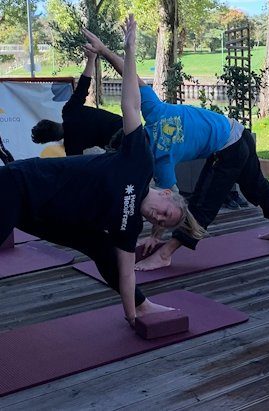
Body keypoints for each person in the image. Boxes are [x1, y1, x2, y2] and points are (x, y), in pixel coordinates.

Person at [0, 15, 202, 328]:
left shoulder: (130, 226)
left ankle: (141, 307)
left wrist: (132, 317)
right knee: (96, 241)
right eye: (166, 212)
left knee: (100, 246)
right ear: (165, 193)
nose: (159, 219)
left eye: (162, 223)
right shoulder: (139, 163)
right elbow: (132, 105)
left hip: (43, 215)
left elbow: (125, 271)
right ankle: (141, 307)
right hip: (20, 186)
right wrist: (130, 49)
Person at [83, 29, 269, 272]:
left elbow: (167, 204)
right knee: (257, 186)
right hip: (238, 132)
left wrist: (157, 238)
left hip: (228, 148)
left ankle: (165, 255)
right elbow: (130, 76)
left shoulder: (161, 162)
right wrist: (105, 51)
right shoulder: (153, 112)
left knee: (203, 204)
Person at [31, 47, 123, 156]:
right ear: (52, 121)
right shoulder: (69, 111)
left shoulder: (71, 146)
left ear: (51, 140)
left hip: (118, 144)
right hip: (125, 125)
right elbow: (82, 86)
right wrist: (91, 59)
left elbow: (77, 168)